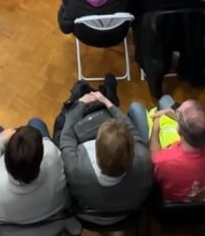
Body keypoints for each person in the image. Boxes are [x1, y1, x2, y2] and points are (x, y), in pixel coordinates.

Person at [59, 86, 153, 219]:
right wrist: (108, 103)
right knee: (136, 107)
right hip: (128, 214)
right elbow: (132, 129)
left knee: (62, 120)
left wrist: (80, 104)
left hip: (93, 213)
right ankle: (109, 89)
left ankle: (95, 88)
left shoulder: (76, 169)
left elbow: (66, 137)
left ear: (96, 154)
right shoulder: (144, 160)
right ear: (132, 151)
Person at [0, 122, 74, 236]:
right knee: (36, 122)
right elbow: (46, 143)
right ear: (41, 157)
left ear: (5, 158)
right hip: (52, 229)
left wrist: (0, 143)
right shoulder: (52, 155)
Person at [146, 99, 205, 202]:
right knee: (165, 100)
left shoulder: (163, 162)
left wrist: (155, 126)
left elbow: (153, 156)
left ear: (178, 130)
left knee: (136, 108)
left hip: (172, 213)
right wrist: (174, 115)